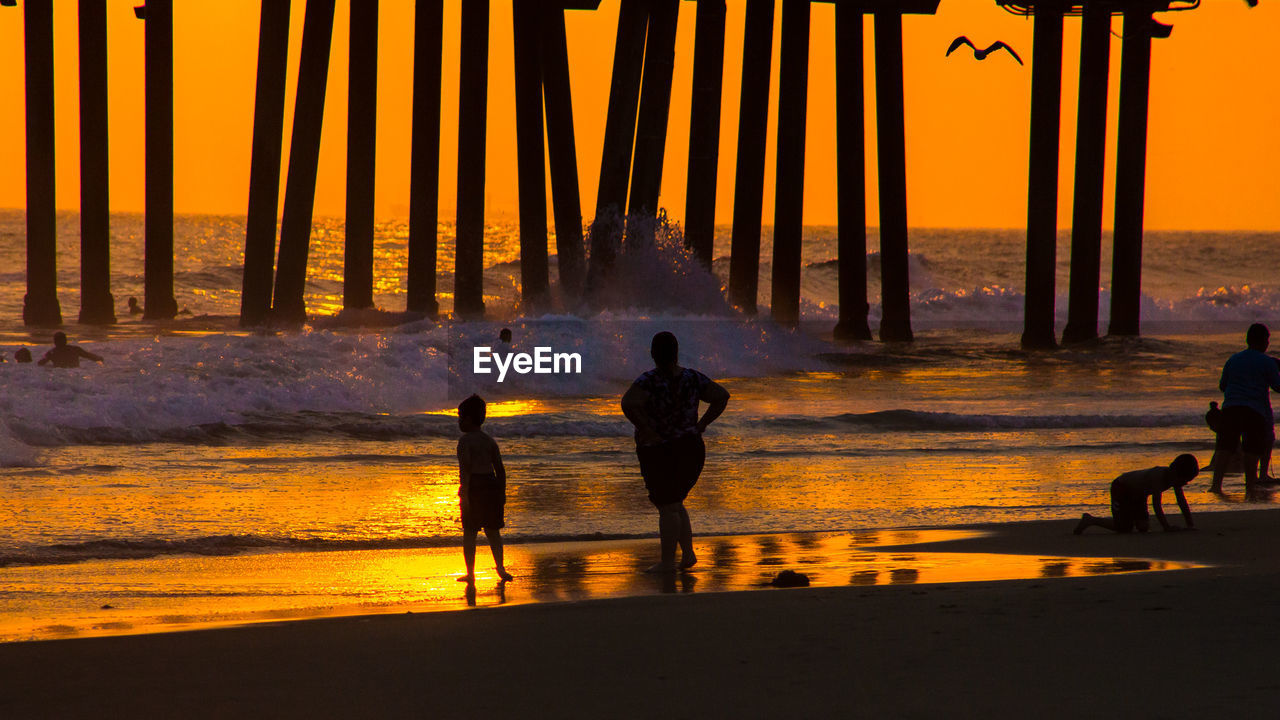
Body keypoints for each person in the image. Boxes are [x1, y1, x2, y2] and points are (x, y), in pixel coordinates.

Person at [621, 331, 730, 573]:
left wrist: (646, 427)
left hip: (660, 450)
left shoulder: (648, 381)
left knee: (668, 505)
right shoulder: (692, 378)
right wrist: (702, 424)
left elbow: (628, 403)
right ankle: (688, 554)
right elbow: (721, 396)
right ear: (676, 353)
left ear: (652, 354)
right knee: (674, 503)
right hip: (691, 448)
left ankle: (668, 563)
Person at [1210, 323, 1280, 492]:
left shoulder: (1233, 359)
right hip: (1253, 410)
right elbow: (1278, 387)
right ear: (1263, 341)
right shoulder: (1266, 362)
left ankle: (1215, 486)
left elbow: (1222, 385)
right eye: (1267, 340)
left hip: (1230, 408)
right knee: (1251, 449)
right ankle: (1250, 485)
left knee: (1224, 447)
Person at [456, 394, 513, 584]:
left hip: (475, 487)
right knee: (493, 531)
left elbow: (465, 469)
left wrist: (464, 493)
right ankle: (501, 568)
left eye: (460, 417)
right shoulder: (489, 441)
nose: (458, 421)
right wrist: (502, 493)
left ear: (468, 419)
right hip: (491, 485)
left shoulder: (465, 442)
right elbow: (500, 470)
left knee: (470, 532)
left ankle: (470, 573)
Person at [1074, 454, 1199, 534]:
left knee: (1143, 527)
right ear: (1176, 473)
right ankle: (1090, 520)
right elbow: (1156, 505)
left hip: (1139, 494)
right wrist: (1166, 527)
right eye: (1184, 480)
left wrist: (1190, 524)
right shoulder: (1158, 476)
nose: (1184, 484)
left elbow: (1181, 501)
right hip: (1122, 487)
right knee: (1123, 528)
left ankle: (1130, 516)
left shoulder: (1174, 479)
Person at [37, 332, 104, 369]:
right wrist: (100, 358)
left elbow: (40, 363)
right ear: (66, 341)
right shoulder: (75, 349)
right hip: (75, 373)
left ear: (55, 342)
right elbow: (90, 356)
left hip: (60, 375)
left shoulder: (51, 353)